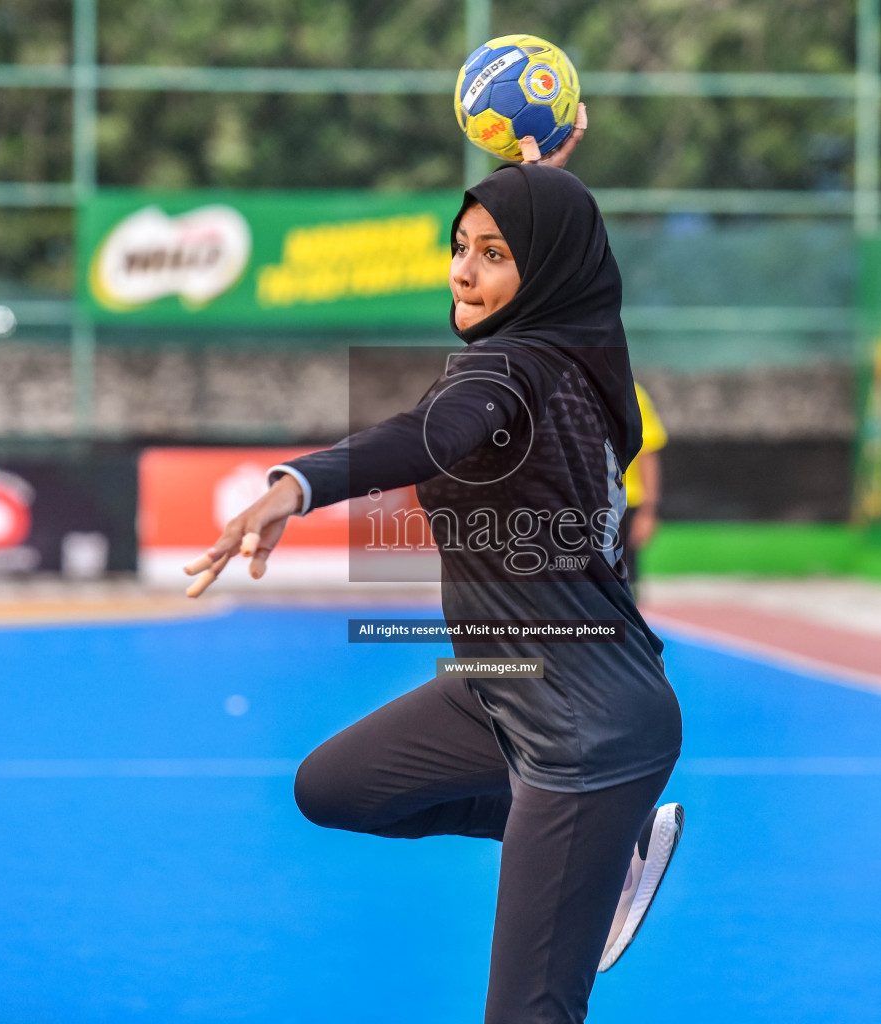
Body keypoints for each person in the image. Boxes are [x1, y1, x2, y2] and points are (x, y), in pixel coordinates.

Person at [184, 146, 686, 1022]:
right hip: (501, 690)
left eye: (495, 253)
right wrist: (541, 178)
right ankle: (620, 841)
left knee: (527, 1013)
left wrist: (298, 485)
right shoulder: (583, 366)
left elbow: (428, 432)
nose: (463, 270)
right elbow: (566, 244)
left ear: (547, 271)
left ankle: (596, 835)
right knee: (334, 786)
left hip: (585, 725)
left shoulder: (504, 373)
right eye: (460, 245)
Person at [619, 381, 666, 589]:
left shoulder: (630, 393)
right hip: (569, 505)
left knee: (625, 585)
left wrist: (648, 511)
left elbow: (647, 453)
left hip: (622, 506)